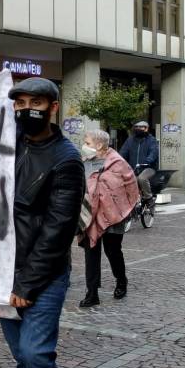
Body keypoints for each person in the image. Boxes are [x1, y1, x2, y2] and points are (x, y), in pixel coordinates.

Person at [6, 78, 85, 368]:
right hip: (1, 272)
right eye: (20, 101)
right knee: (23, 358)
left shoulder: (66, 159)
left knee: (37, 355)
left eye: (36, 101)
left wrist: (27, 283)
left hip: (42, 276)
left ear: (53, 107)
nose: (26, 108)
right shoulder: (9, 147)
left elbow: (58, 231)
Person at [78, 130, 138, 308]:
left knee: (113, 251)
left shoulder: (118, 163)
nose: (85, 146)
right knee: (91, 253)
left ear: (99, 145)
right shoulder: (85, 163)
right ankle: (92, 293)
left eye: (87, 143)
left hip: (113, 216)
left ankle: (121, 281)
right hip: (90, 215)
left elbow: (129, 186)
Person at [118, 120, 159, 202]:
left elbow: (153, 152)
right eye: (136, 127)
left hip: (148, 167)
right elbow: (123, 152)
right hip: (133, 167)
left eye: (141, 127)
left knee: (142, 178)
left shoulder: (151, 140)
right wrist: (118, 160)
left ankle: (149, 198)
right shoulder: (130, 140)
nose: (138, 129)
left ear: (146, 128)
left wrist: (148, 161)